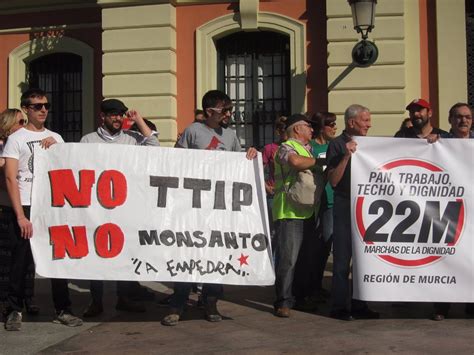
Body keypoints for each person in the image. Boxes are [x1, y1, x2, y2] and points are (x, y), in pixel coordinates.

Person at [161, 90, 257, 326]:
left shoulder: (232, 135)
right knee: (187, 251)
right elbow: (177, 162)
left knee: (217, 253)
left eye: (230, 109)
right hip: (192, 206)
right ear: (209, 111)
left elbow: (237, 167)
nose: (229, 114)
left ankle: (211, 301)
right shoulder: (193, 131)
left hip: (220, 207)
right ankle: (178, 303)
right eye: (224, 110)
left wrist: (249, 156)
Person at [3, 88, 83, 330]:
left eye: (46, 105)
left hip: (51, 205)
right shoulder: (16, 139)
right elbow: (10, 178)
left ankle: (63, 308)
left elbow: (68, 171)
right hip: (26, 205)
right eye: (37, 106)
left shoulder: (56, 137)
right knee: (20, 262)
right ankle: (14, 309)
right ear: (26, 109)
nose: (43, 110)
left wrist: (57, 148)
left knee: (58, 257)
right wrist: (19, 216)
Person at [80, 99, 159, 317]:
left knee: (125, 253)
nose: (118, 118)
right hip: (97, 207)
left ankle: (124, 298)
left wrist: (139, 120)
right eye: (113, 114)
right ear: (102, 117)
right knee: (96, 255)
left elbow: (154, 147)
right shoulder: (88, 141)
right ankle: (96, 301)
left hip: (125, 207)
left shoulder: (132, 139)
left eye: (121, 114)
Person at [327, 104, 379, 321]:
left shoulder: (370, 144)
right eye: (365, 121)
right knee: (341, 260)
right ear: (351, 122)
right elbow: (333, 180)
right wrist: (346, 157)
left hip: (366, 207)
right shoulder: (337, 145)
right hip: (344, 205)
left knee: (363, 259)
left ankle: (360, 305)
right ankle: (339, 307)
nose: (369, 124)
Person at [272, 113, 321, 318]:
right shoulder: (286, 147)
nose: (311, 129)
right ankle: (283, 301)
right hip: (289, 211)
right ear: (297, 129)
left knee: (304, 260)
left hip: (307, 211)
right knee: (288, 259)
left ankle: (300, 298)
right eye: (308, 126)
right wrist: (317, 161)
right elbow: (295, 162)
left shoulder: (308, 149)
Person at [429, 102, 473, 320]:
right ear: (450, 120)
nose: (463, 120)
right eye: (458, 117)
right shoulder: (440, 142)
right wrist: (431, 144)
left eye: (467, 117)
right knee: (444, 256)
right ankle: (441, 306)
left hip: (472, 211)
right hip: (447, 209)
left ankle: (470, 303)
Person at [0, 109, 39, 316]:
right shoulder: (4, 147)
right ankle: (7, 301)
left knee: (28, 258)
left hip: (26, 206)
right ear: (8, 126)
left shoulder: (23, 145)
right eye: (20, 121)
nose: (24, 125)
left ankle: (28, 298)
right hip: (6, 209)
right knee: (8, 261)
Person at [309, 112, 338, 302]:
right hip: (312, 201)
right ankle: (309, 285)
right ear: (321, 127)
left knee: (326, 242)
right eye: (331, 125)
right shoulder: (310, 146)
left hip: (330, 202)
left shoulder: (334, 146)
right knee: (311, 245)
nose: (335, 128)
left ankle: (317, 284)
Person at [262, 116, 288, 240]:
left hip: (291, 196)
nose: (288, 132)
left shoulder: (297, 147)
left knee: (287, 232)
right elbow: (258, 170)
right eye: (284, 129)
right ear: (278, 131)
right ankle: (273, 259)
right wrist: (266, 187)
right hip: (274, 194)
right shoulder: (269, 148)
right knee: (274, 232)